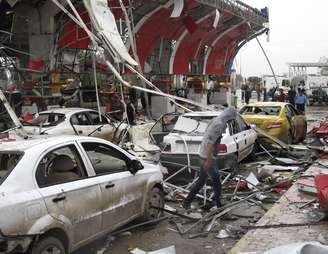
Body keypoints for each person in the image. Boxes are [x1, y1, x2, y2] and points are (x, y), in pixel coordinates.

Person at [182, 107, 237, 210]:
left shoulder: (218, 120)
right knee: (217, 181)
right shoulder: (219, 124)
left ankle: (187, 202)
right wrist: (209, 159)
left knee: (201, 181)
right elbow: (209, 143)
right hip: (207, 157)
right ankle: (218, 204)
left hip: (205, 155)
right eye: (232, 119)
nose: (231, 122)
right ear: (229, 117)